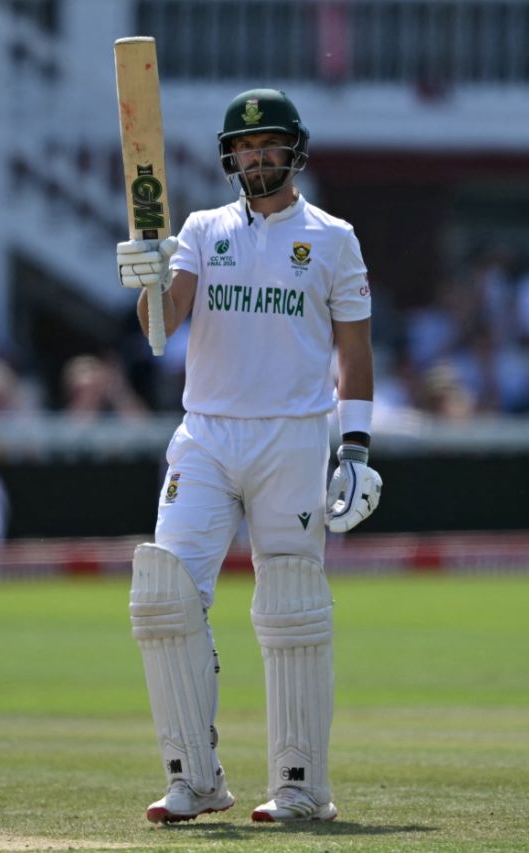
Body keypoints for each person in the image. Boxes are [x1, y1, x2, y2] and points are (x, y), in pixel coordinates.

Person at [114, 88, 382, 824]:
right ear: (229, 156)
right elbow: (161, 328)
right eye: (244, 147)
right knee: (163, 595)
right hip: (205, 433)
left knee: (292, 604)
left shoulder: (332, 237)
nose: (256, 157)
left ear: (293, 151)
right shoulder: (201, 229)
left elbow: (355, 352)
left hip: (293, 435)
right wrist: (149, 276)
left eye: (269, 145)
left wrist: (354, 449)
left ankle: (300, 786)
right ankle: (194, 778)